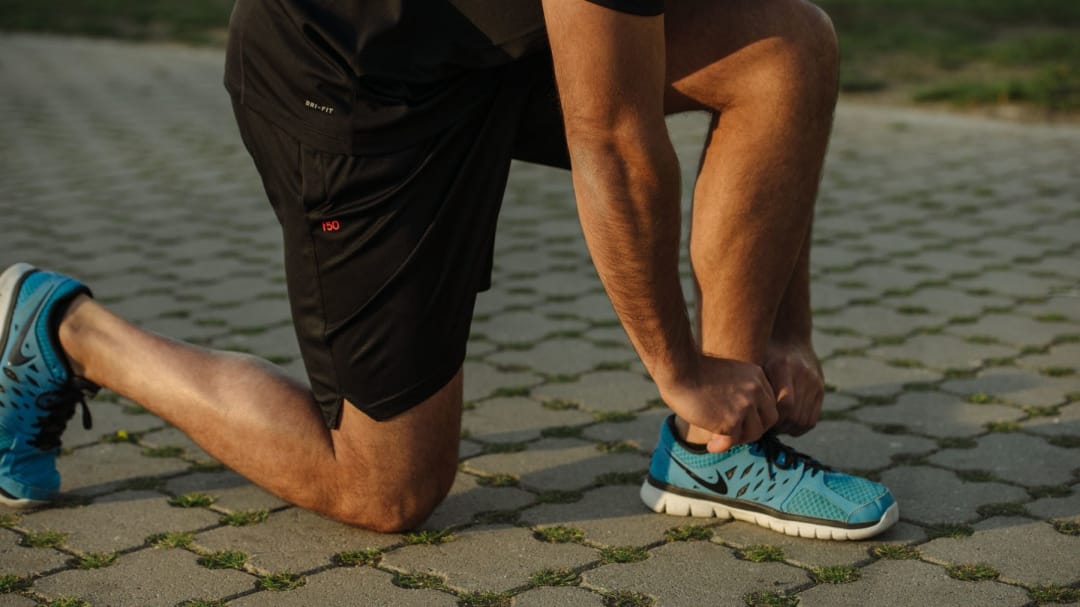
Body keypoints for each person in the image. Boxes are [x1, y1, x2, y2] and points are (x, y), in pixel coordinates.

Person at [0, 0, 897, 540]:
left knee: (785, 47)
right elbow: (615, 146)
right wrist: (680, 369)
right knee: (386, 489)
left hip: (491, 41)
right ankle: (64, 329)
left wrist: (788, 326)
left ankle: (718, 453)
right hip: (351, 87)